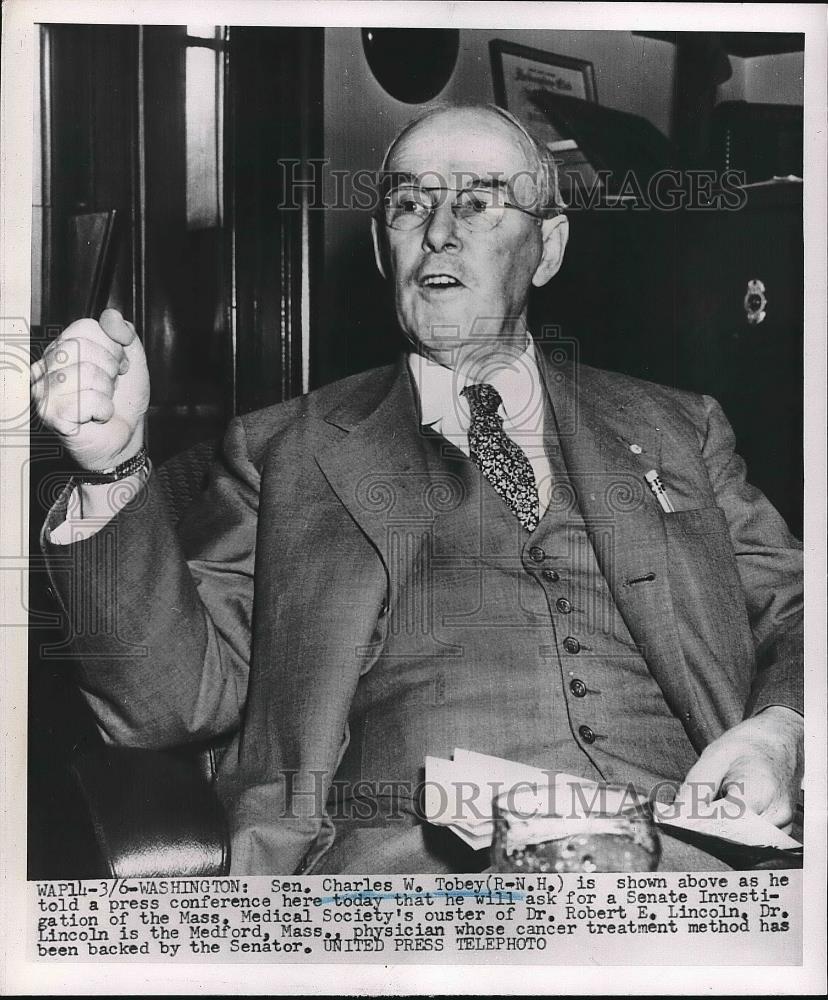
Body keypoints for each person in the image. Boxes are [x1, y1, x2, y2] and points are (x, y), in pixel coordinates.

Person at [32, 104, 803, 875]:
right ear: (381, 247)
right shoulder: (280, 451)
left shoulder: (679, 428)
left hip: (691, 871)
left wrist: (784, 727)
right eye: (410, 204)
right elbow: (163, 705)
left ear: (549, 246)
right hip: (409, 885)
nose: (439, 230)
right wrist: (112, 466)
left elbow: (801, 613)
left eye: (478, 201)